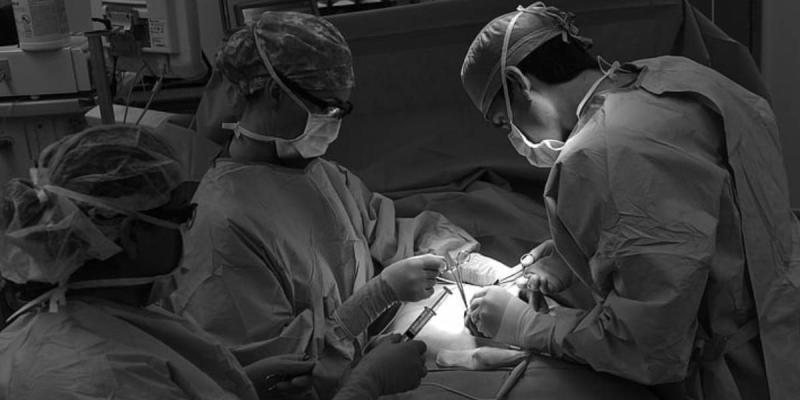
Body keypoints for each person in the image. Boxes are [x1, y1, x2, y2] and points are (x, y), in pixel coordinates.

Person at [160, 10, 509, 399]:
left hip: (372, 353)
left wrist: (479, 267)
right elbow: (279, 377)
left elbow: (387, 229)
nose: (333, 121)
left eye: (341, 109)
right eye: (326, 107)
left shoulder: (320, 174)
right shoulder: (221, 226)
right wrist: (376, 299)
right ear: (274, 93)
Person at [460, 3, 800, 400]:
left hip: (744, 377)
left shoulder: (598, 154)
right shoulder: (676, 75)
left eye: (505, 123)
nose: (515, 140)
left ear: (519, 82)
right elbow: (709, 214)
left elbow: (649, 346)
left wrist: (525, 326)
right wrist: (580, 256)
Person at [0, 124, 430, 400]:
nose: (192, 228)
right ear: (129, 236)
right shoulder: (107, 378)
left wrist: (243, 385)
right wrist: (366, 384)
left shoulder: (70, 318)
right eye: (181, 216)